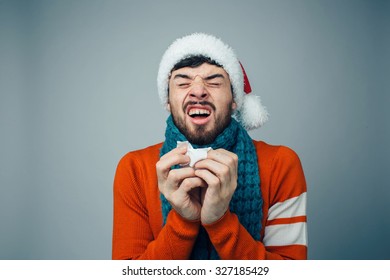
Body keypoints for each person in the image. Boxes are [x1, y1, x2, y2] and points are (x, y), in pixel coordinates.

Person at [112, 33, 307, 260]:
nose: (198, 91)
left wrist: (220, 221)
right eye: (183, 82)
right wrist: (184, 220)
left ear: (235, 99)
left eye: (214, 81)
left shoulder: (280, 164)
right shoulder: (134, 169)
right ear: (167, 100)